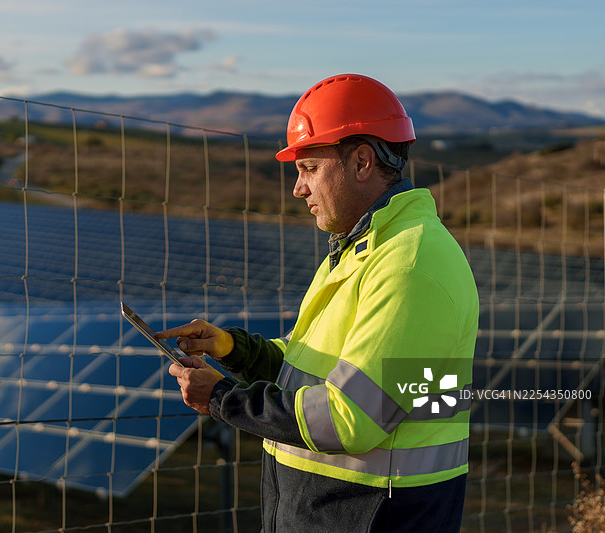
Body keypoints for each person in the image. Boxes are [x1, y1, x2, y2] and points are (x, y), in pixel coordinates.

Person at [156, 74, 479, 532]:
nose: (298, 189)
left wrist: (222, 399)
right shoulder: (360, 249)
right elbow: (309, 369)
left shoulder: (411, 264)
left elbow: (353, 419)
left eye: (308, 168)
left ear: (362, 161)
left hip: (375, 514)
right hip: (339, 511)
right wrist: (232, 349)